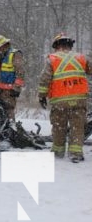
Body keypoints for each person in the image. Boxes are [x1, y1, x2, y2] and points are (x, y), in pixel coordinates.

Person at [38, 33, 91, 163]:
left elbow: (45, 79)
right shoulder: (81, 58)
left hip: (59, 101)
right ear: (70, 45)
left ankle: (58, 151)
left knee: (58, 126)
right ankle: (76, 153)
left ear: (57, 46)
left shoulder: (52, 59)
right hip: (79, 99)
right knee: (77, 127)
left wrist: (42, 96)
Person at [0, 35, 24, 122]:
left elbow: (20, 72)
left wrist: (16, 88)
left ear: (5, 45)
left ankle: (12, 131)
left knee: (9, 113)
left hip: (9, 92)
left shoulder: (15, 54)